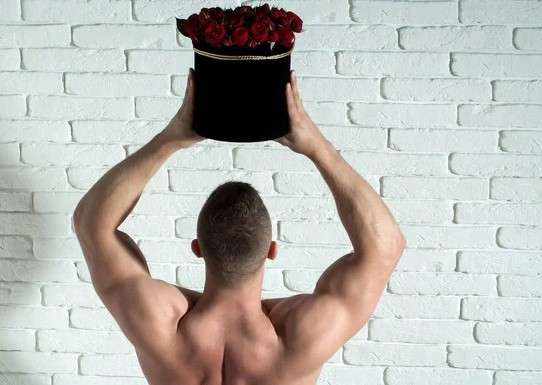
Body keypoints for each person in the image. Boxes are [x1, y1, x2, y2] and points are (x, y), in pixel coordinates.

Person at [73, 68, 407, 384]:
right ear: (272, 250)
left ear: (198, 248)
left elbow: (91, 225)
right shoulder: (302, 336)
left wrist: (170, 140)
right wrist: (320, 150)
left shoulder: (159, 323)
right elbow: (385, 248)